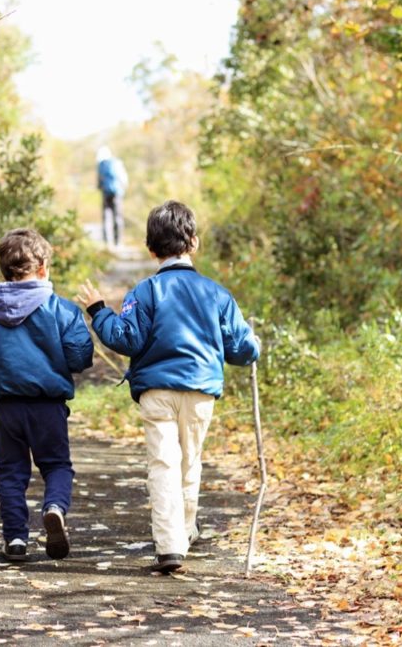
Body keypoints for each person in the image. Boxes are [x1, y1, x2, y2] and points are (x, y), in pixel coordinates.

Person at [76, 201, 259, 573]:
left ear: (150, 249)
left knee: (163, 464)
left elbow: (125, 339)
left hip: (157, 392)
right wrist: (254, 342)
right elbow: (241, 349)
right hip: (200, 392)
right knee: (190, 462)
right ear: (194, 242)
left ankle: (170, 544)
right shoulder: (216, 294)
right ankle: (186, 529)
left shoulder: (145, 292)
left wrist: (99, 310)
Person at [0, 229, 94, 562]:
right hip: (49, 406)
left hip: (8, 408)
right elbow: (79, 358)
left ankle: (16, 538)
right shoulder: (63, 310)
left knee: (11, 473)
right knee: (57, 465)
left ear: (5, 269)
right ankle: (55, 507)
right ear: (43, 266)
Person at [96, 145, 128, 247]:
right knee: (117, 217)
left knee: (106, 217)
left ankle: (106, 242)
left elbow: (99, 181)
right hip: (117, 193)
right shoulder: (117, 163)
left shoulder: (101, 164)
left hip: (106, 193)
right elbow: (123, 179)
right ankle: (118, 242)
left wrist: (100, 187)